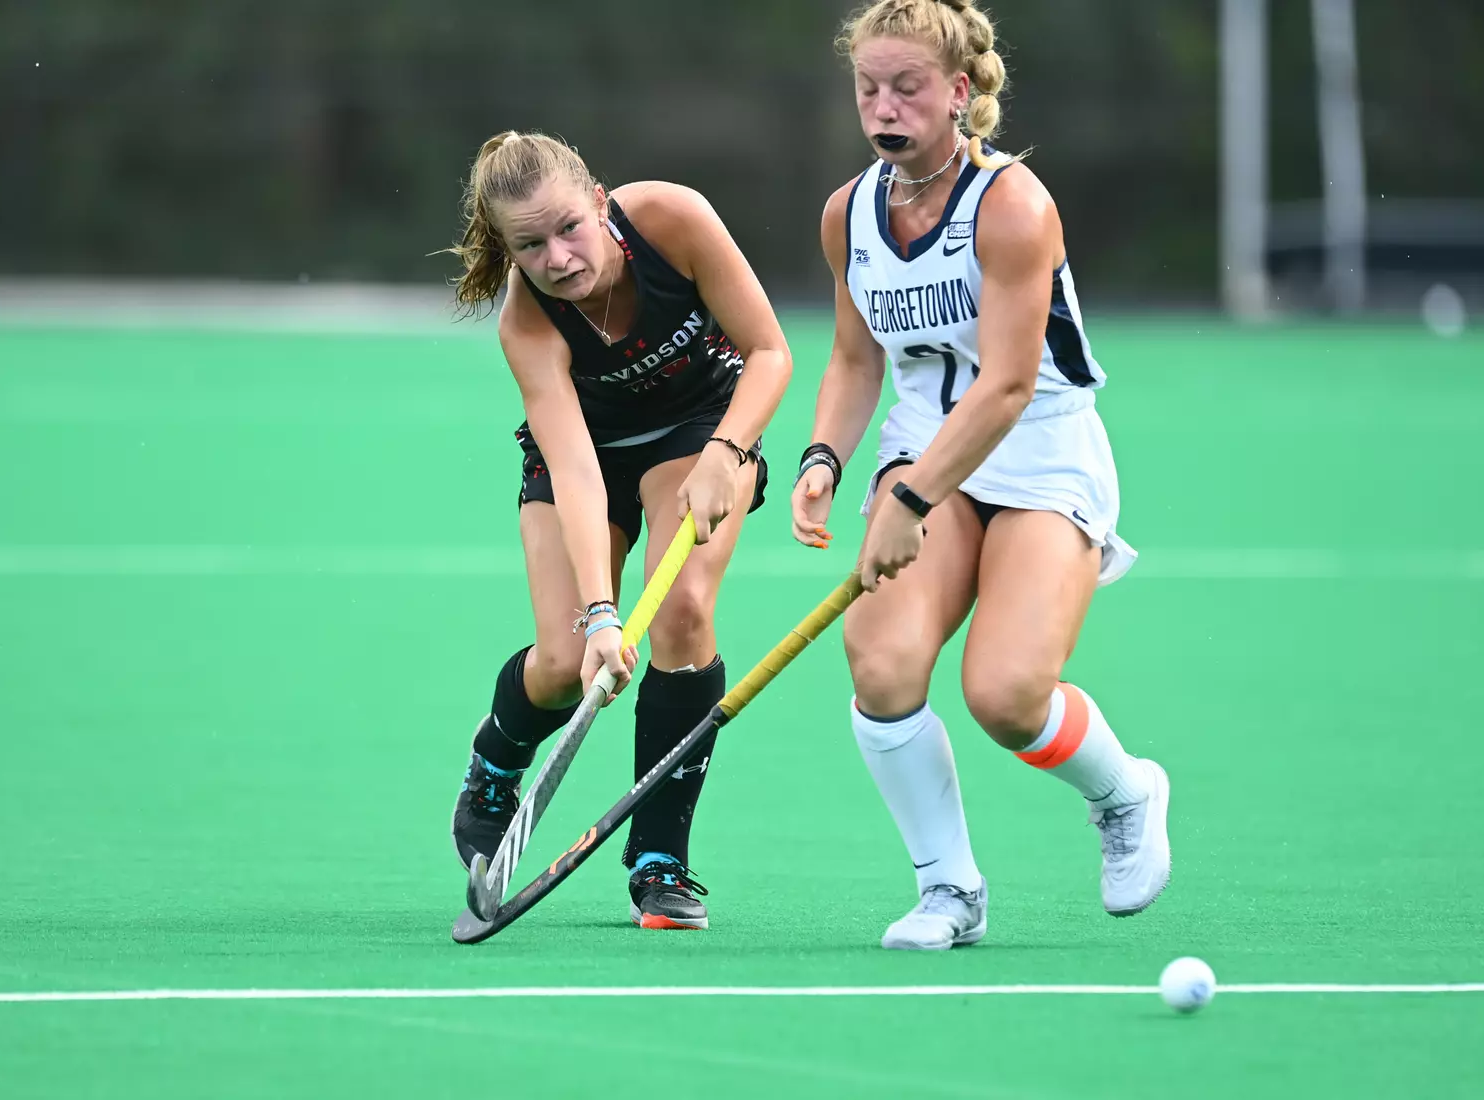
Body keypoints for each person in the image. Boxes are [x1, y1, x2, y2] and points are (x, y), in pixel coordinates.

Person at [791, 0, 1171, 950]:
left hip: (1040, 449)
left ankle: (1126, 793)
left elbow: (1004, 386)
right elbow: (853, 360)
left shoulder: (1012, 206)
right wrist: (825, 459)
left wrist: (908, 499)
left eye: (907, 87)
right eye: (869, 87)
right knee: (880, 665)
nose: (885, 106)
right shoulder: (848, 214)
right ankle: (949, 891)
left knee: (1004, 695)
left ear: (958, 92)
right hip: (924, 441)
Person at [446, 131, 792, 930]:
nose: (560, 257)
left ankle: (658, 859)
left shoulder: (673, 220)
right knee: (567, 662)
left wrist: (726, 453)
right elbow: (572, 469)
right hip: (588, 454)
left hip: (702, 425)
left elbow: (770, 351)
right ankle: (498, 753)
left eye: (570, 227)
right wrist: (601, 617)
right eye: (530, 246)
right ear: (507, 250)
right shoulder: (526, 328)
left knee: (680, 611)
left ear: (601, 202)